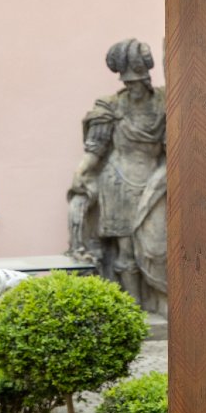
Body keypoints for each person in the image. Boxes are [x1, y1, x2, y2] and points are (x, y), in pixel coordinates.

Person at [68, 39, 167, 314]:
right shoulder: (111, 106)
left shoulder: (164, 104)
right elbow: (96, 148)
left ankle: (162, 301)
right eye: (129, 82)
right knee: (125, 252)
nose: (132, 86)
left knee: (157, 246)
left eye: (137, 81)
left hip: (155, 182)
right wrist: (82, 171)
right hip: (118, 183)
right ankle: (134, 309)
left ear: (147, 78)